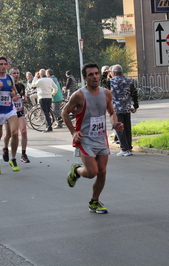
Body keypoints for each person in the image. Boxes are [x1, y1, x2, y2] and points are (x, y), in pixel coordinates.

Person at [62, 63, 124, 214]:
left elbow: (111, 112)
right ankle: (76, 171)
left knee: (102, 171)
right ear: (84, 78)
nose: (95, 76)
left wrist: (115, 124)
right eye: (90, 74)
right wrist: (73, 132)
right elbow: (64, 112)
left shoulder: (106, 93)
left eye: (96, 73)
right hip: (86, 140)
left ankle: (94, 202)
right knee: (92, 173)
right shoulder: (79, 95)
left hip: (101, 139)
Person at [109, 64, 139, 156]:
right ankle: (129, 147)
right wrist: (136, 105)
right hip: (127, 107)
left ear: (113, 73)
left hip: (117, 108)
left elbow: (101, 81)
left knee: (119, 128)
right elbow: (134, 93)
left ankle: (124, 148)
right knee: (127, 128)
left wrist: (106, 72)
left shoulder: (111, 81)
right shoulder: (129, 81)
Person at [2, 67, 30, 164]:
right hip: (9, 112)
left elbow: (23, 97)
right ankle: (5, 148)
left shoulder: (21, 86)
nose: (16, 75)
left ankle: (23, 154)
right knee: (9, 134)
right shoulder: (7, 86)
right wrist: (12, 100)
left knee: (24, 131)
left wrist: (25, 100)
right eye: (14, 73)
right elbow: (4, 99)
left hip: (19, 111)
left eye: (17, 73)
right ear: (10, 75)